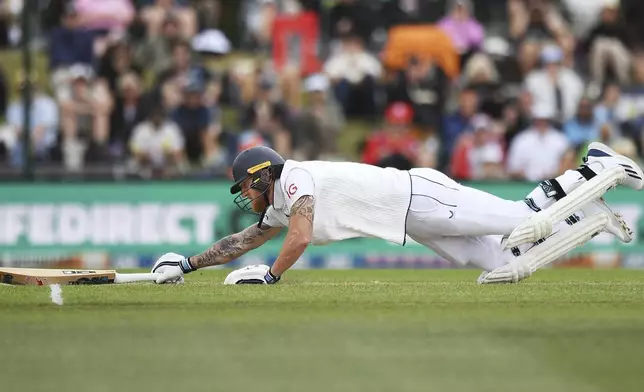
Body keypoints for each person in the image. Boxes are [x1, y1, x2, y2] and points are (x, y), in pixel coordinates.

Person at [151, 143, 643, 285]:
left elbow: (298, 237)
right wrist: (189, 265)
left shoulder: (294, 176)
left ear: (261, 175)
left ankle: (593, 166)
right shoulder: (278, 202)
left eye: (245, 186)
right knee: (502, 262)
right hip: (412, 223)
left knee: (520, 218)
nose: (245, 196)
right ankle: (587, 216)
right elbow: (245, 240)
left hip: (419, 196)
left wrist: (273, 277)